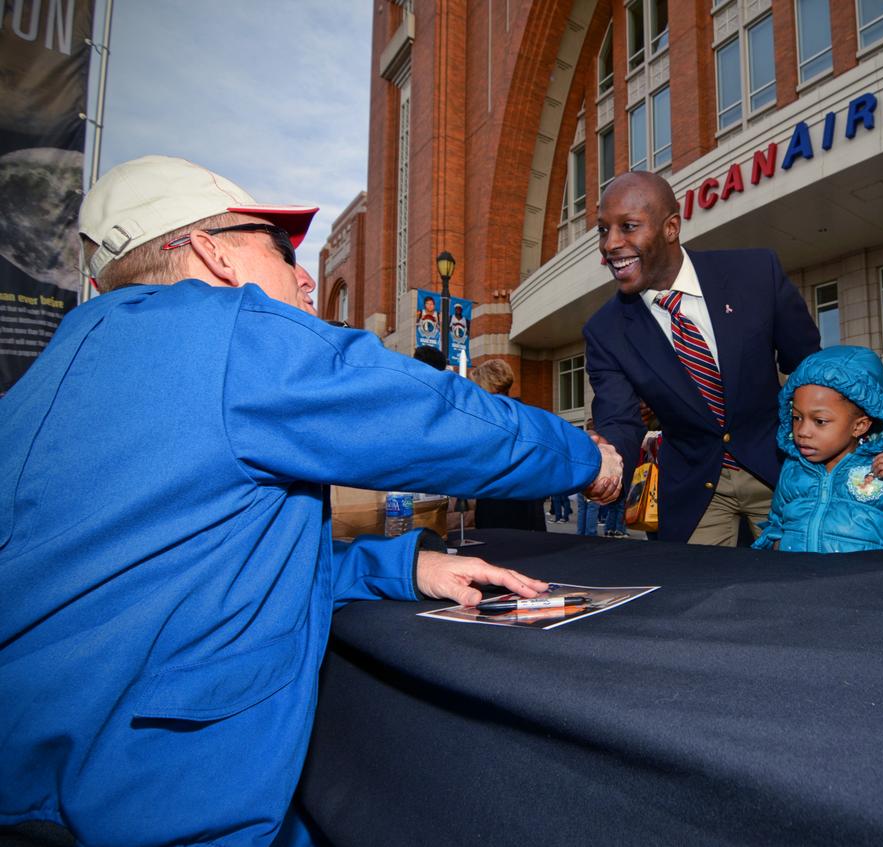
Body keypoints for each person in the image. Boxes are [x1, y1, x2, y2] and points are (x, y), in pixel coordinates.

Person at [0, 155, 622, 847]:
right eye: (279, 248)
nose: (303, 277)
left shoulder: (46, 374)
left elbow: (176, 569)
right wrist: (584, 455)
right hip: (164, 804)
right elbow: (435, 416)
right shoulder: (228, 332)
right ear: (214, 254)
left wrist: (394, 568)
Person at [584, 171, 821, 546]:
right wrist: (606, 465)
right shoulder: (605, 331)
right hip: (695, 485)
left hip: (781, 469)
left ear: (671, 227)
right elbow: (619, 418)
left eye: (628, 227)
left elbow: (810, 368)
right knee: (694, 595)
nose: (611, 244)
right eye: (602, 230)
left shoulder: (756, 273)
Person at [753, 346, 883, 553]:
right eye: (797, 418)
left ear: (860, 426)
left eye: (819, 421)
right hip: (798, 580)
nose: (803, 431)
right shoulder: (794, 467)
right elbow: (777, 522)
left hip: (866, 582)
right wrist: (775, 544)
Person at [469, 359, 548, 532]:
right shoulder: (529, 415)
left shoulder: (490, 419)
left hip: (498, 506)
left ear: (487, 386)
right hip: (528, 506)